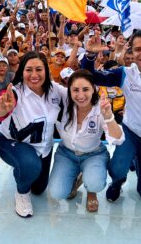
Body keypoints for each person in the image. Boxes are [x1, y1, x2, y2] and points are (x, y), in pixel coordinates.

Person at [82, 29, 141, 202]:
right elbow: (91, 77)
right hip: (131, 133)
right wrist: (89, 55)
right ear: (132, 52)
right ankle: (117, 182)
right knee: (117, 169)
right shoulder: (125, 74)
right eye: (137, 49)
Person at [0, 51, 66, 218]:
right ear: (21, 72)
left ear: (46, 70)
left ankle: (22, 169)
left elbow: (78, 97)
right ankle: (22, 193)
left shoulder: (56, 91)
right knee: (30, 165)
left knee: (39, 189)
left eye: (39, 69)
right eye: (28, 70)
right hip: (9, 142)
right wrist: (2, 110)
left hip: (43, 149)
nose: (34, 75)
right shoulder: (15, 92)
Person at [48, 70, 124, 212]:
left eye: (86, 89)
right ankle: (78, 176)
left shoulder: (100, 108)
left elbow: (118, 139)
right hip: (66, 154)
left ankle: (91, 191)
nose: (81, 95)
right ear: (68, 90)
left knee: (95, 183)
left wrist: (108, 116)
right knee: (57, 193)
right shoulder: (63, 102)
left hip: (93, 154)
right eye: (75, 90)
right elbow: (45, 82)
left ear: (94, 89)